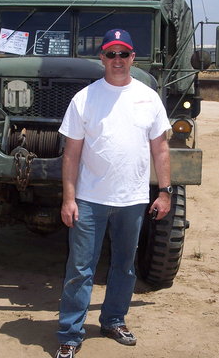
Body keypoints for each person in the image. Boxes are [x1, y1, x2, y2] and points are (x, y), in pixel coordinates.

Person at [54, 28, 172, 358]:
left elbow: (161, 149)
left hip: (132, 200)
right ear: (102, 58)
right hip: (89, 200)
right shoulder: (84, 98)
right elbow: (71, 154)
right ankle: (70, 334)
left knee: (124, 265)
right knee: (80, 269)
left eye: (123, 54)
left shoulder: (149, 98)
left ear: (133, 57)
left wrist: (164, 192)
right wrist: (68, 198)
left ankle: (113, 320)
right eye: (111, 53)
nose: (117, 60)